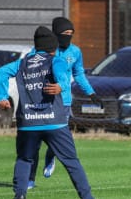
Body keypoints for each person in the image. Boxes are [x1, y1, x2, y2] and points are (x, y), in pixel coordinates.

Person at [0, 26, 101, 199]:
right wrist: (61, 85)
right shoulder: (56, 60)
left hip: (28, 122)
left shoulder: (22, 63)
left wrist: (2, 96)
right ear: (53, 47)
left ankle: (20, 195)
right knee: (71, 162)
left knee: (24, 159)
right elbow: (62, 75)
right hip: (55, 122)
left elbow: (2, 72)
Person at [27, 16, 101, 189]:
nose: (68, 36)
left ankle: (51, 156)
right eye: (64, 33)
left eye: (71, 33)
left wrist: (91, 93)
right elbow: (28, 69)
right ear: (55, 34)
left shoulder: (75, 52)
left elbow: (79, 74)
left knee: (57, 139)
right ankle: (30, 179)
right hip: (42, 101)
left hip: (63, 102)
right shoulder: (41, 50)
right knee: (34, 141)